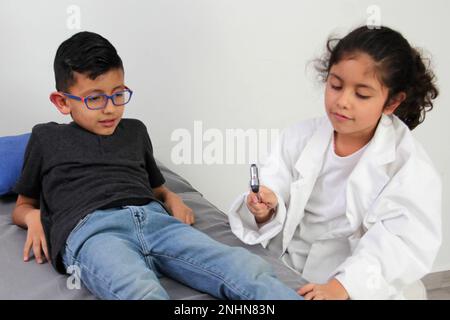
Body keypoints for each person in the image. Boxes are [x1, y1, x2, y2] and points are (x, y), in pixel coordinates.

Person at [11, 31, 301, 300]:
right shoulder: (47, 137)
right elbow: (23, 205)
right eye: (95, 98)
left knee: (243, 268)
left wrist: (172, 198)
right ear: (62, 102)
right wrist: (34, 218)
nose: (111, 107)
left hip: (156, 222)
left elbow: (157, 188)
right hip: (95, 233)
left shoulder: (135, 131)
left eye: (118, 93)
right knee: (139, 290)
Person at [228, 25, 442, 300]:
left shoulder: (409, 168)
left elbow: (399, 244)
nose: (342, 101)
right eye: (336, 85)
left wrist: (342, 287)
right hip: (290, 267)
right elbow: (274, 185)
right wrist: (265, 207)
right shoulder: (299, 137)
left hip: (355, 284)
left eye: (361, 94)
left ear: (391, 103)